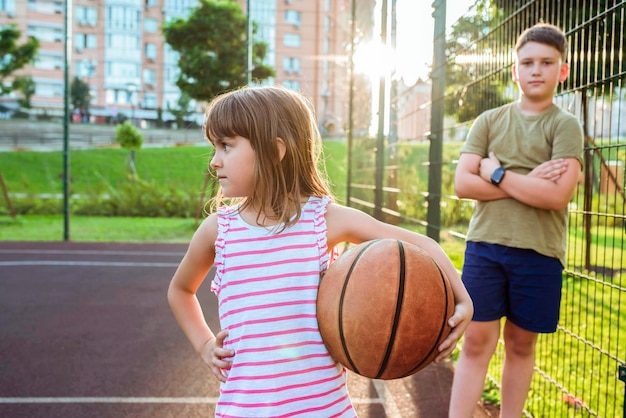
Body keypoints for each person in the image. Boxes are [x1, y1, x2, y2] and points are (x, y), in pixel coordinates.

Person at [168, 85, 473, 417]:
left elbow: (423, 245)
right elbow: (181, 290)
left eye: (226, 146)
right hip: (244, 408)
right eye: (214, 147)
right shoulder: (218, 230)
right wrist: (204, 345)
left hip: (323, 408)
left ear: (275, 150)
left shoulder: (323, 220)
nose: (214, 161)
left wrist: (463, 299)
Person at [448, 23, 584, 417]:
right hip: (485, 248)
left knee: (522, 345)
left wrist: (497, 174)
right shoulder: (489, 121)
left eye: (546, 62)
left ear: (563, 70)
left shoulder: (564, 125)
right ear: (514, 70)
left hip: (539, 254)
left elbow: (557, 197)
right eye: (527, 63)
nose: (536, 70)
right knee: (475, 342)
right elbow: (461, 184)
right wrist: (529, 182)